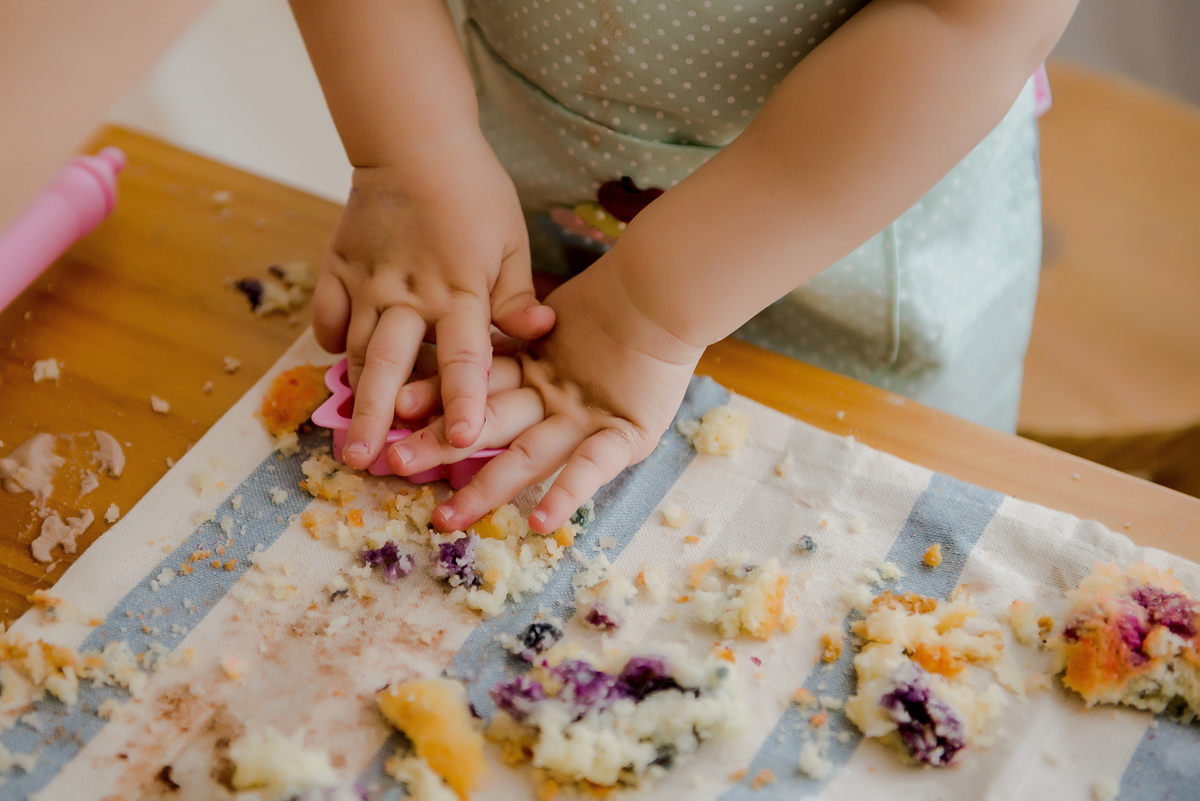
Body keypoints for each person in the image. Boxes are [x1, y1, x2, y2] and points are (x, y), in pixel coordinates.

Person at [288, 0, 1078, 534]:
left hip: (865, 245)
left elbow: (967, 22)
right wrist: (412, 153)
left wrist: (648, 311)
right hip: (519, 182)